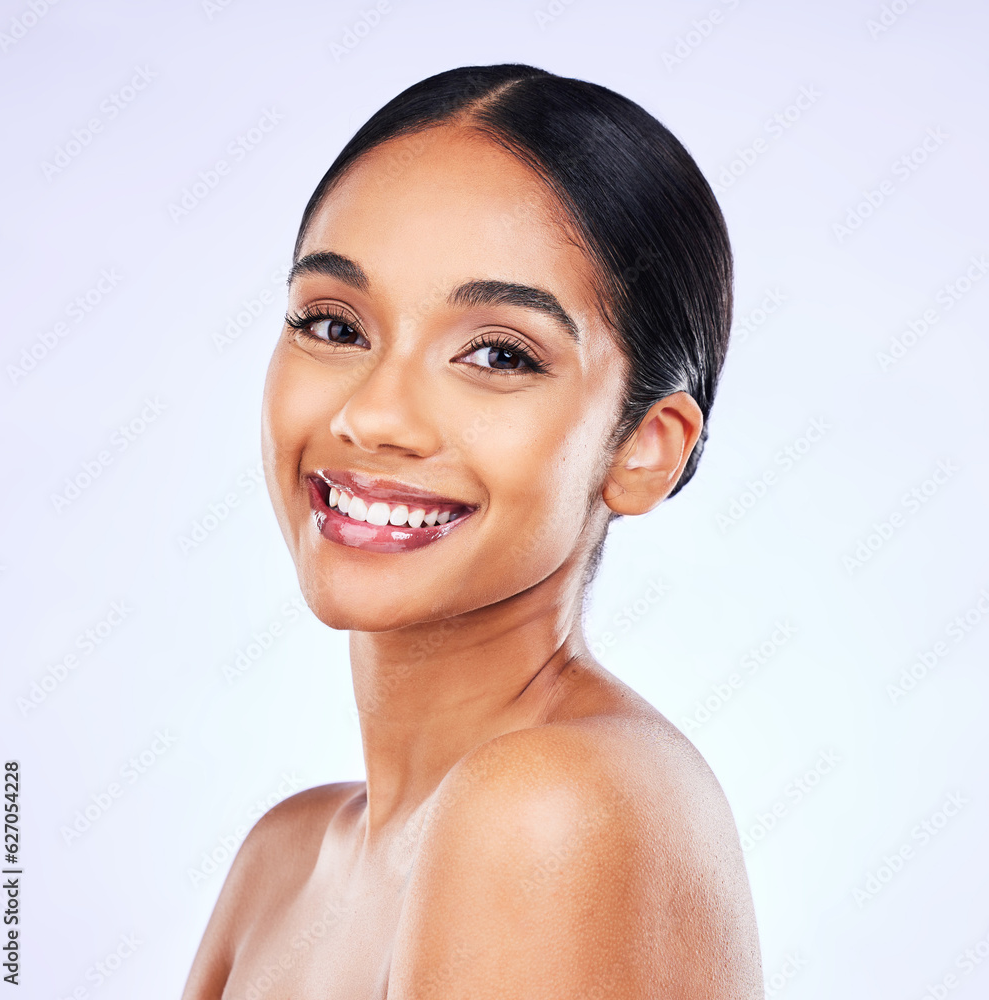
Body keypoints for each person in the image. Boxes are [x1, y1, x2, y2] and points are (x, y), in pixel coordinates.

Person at [183, 63, 763, 999]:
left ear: (645, 448)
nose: (376, 416)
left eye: (497, 353)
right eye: (334, 326)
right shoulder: (280, 863)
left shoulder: (551, 806)